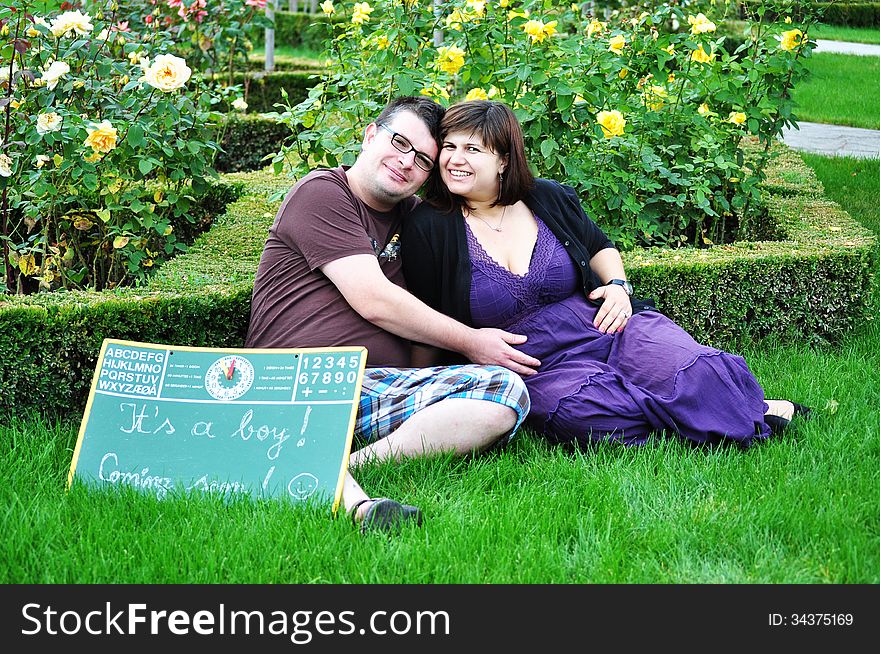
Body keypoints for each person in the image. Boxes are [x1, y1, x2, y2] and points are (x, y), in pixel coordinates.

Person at [401, 100, 809, 450]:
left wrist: (618, 286)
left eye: (473, 149)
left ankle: (714, 405)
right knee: (582, 416)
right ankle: (723, 413)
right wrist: (425, 383)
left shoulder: (545, 197)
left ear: (504, 159)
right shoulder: (430, 225)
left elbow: (600, 247)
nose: (455, 159)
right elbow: (423, 314)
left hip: (604, 327)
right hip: (537, 365)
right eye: (449, 146)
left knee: (695, 369)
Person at [245, 97, 535, 533]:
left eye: (422, 160)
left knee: (503, 396)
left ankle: (340, 462)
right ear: (369, 134)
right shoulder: (322, 192)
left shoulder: (416, 220)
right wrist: (472, 342)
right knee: (494, 385)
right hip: (296, 381)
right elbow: (375, 300)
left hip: (373, 391)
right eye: (400, 143)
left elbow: (427, 311)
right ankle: (357, 502)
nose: (406, 162)